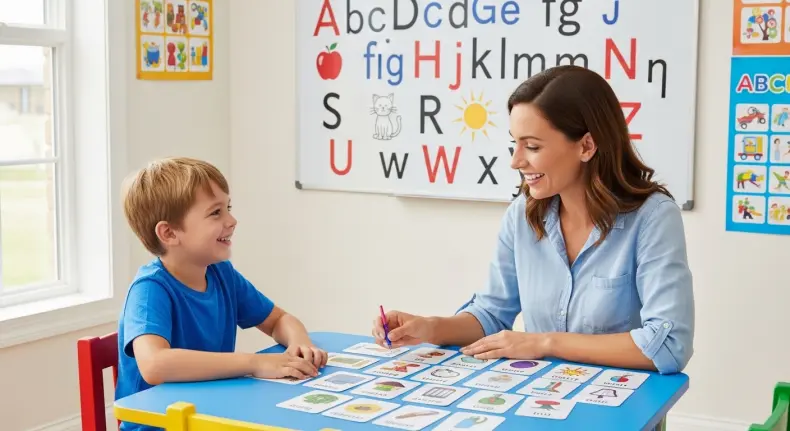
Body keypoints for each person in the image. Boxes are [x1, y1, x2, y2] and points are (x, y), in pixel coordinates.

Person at [372, 65, 694, 377]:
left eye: (533, 146)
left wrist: (544, 342)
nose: (516, 161)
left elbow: (668, 346)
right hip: (542, 400)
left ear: (586, 145)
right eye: (516, 143)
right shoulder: (522, 215)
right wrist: (430, 327)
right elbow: (491, 315)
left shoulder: (653, 218)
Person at [116, 157, 327, 431]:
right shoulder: (149, 290)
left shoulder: (221, 274)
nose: (232, 220)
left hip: (210, 416)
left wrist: (300, 343)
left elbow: (278, 320)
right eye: (216, 213)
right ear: (169, 233)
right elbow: (155, 365)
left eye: (228, 208)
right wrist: (254, 363)